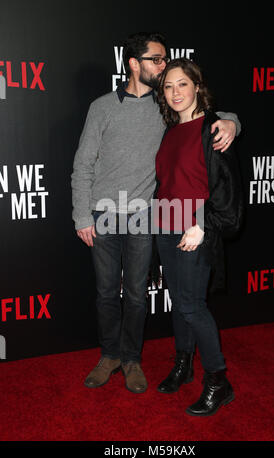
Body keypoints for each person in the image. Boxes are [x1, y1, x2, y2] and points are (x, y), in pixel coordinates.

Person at [71, 32, 241, 394]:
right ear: (134, 63)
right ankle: (109, 356)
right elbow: (82, 164)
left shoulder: (163, 107)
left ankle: (132, 359)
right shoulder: (102, 106)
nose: (163, 69)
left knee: (136, 293)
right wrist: (81, 215)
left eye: (166, 61)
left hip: (148, 215)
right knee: (105, 293)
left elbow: (205, 116)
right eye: (157, 60)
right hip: (104, 214)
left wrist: (232, 122)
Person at [154, 58, 243, 415]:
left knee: (193, 306)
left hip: (195, 228)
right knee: (180, 302)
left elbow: (227, 192)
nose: (176, 92)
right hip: (165, 224)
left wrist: (201, 223)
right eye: (169, 87)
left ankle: (218, 381)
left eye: (182, 84)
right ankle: (183, 364)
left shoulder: (214, 129)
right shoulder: (169, 130)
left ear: (196, 87)